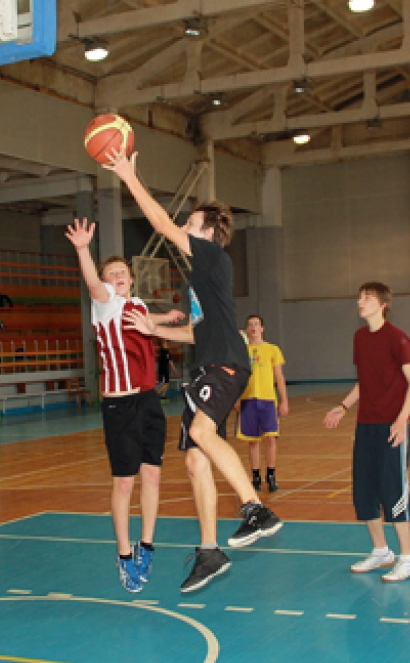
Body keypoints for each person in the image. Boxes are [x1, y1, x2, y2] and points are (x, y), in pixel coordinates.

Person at [110, 150, 282, 594]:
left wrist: (130, 175)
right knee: (193, 460)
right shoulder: (199, 280)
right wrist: (154, 329)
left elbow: (161, 224)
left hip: (225, 365)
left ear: (207, 232)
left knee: (203, 433)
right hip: (207, 368)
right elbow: (194, 332)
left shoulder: (211, 255)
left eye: (191, 222)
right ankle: (209, 551)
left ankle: (255, 509)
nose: (184, 226)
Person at [66, 218, 185, 593]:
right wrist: (83, 250)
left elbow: (144, 317)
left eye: (122, 272)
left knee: (153, 477)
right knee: (124, 482)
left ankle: (146, 546)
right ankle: (122, 554)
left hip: (149, 401)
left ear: (132, 279)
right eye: (111, 273)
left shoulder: (135, 305)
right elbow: (92, 284)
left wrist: (166, 317)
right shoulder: (104, 304)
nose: (117, 277)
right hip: (120, 406)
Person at [323, 283, 410, 583]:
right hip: (365, 425)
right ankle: (381, 551)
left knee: (393, 490)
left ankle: (409, 557)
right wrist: (343, 407)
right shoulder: (359, 338)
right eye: (360, 297)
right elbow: (363, 383)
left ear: (383, 304)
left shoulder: (397, 337)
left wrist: (402, 420)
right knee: (364, 490)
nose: (360, 301)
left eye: (367, 298)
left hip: (392, 426)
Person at [236, 315, 289, 493]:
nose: (253, 327)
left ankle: (271, 475)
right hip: (248, 399)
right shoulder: (242, 352)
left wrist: (284, 400)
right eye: (250, 324)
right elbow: (237, 378)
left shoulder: (272, 349)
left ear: (262, 328)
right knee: (253, 441)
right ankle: (256, 477)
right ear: (247, 329)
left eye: (256, 324)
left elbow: (279, 377)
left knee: (271, 438)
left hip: (268, 400)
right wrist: (235, 398)